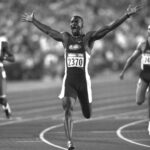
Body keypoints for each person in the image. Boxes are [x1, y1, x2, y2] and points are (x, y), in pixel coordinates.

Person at [22, 4, 141, 150]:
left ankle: (83, 114)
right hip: (69, 82)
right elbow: (49, 31)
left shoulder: (88, 39)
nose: (73, 25)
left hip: (84, 83)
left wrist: (126, 15)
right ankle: (70, 142)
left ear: (81, 25)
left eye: (76, 22)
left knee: (87, 114)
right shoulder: (65, 38)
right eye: (71, 23)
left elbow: (108, 28)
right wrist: (34, 21)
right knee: (67, 108)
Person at [119, 25, 150, 135]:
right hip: (144, 75)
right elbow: (132, 59)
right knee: (139, 101)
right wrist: (123, 72)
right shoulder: (143, 45)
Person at [0, 35, 15, 119]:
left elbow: (13, 58)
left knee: (2, 98)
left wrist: (4, 57)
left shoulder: (2, 43)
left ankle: (6, 109)